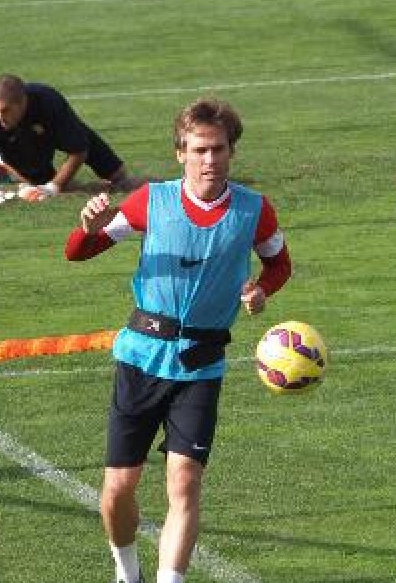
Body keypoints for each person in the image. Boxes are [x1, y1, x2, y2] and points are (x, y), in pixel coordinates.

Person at [64, 97, 291, 583]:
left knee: (184, 482)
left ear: (232, 152)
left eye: (219, 150)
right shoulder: (152, 202)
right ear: (180, 153)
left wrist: (260, 291)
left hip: (201, 366)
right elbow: (79, 253)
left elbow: (280, 264)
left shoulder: (255, 210)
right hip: (141, 359)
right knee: (119, 489)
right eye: (200, 150)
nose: (210, 160)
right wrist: (87, 229)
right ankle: (127, 573)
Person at [0, 74, 145, 208]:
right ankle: (6, 167)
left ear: (22, 102)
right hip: (16, 146)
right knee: (41, 189)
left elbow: (79, 149)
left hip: (56, 131)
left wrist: (53, 187)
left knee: (120, 176)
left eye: (5, 110)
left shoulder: (48, 101)